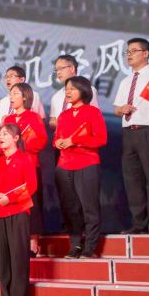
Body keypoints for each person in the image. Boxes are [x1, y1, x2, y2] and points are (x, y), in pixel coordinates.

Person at [114, 37, 149, 234]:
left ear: (145, 53)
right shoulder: (125, 81)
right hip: (128, 133)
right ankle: (140, 224)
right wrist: (121, 109)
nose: (129, 55)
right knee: (133, 180)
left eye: (134, 51)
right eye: (127, 52)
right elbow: (116, 109)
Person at [55, 76, 107, 258]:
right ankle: (75, 244)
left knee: (89, 207)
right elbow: (56, 138)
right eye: (67, 89)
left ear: (83, 91)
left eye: (73, 89)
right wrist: (58, 142)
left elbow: (101, 139)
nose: (68, 92)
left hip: (87, 163)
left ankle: (90, 246)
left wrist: (75, 141)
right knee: (70, 208)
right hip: (64, 166)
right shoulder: (63, 115)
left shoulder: (93, 112)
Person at [0, 124, 37, 296]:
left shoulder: (25, 159)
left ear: (16, 138)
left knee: (18, 255)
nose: (0, 137)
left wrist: (11, 198)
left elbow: (31, 186)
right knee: (2, 256)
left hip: (18, 211)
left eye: (5, 134)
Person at [3, 83, 48, 256]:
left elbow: (41, 141)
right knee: (14, 203)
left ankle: (33, 242)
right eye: (10, 93)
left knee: (31, 203)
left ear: (25, 97)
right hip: (11, 168)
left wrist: (21, 146)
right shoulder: (8, 119)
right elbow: (1, 144)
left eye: (15, 93)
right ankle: (17, 240)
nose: (11, 97)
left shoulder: (33, 117)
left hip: (29, 165)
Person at [49, 54, 99, 129]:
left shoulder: (88, 90)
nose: (58, 72)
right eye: (56, 70)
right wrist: (55, 123)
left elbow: (94, 118)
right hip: (61, 135)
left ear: (72, 68)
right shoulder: (56, 97)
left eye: (61, 68)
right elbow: (52, 120)